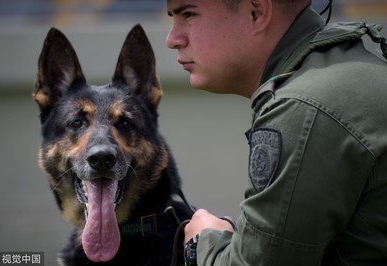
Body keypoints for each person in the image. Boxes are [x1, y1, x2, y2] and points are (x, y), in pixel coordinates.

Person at [166, 0, 387, 265]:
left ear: (256, 12)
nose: (173, 39)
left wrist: (202, 241)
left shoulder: (304, 106)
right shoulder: (348, 69)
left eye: (189, 14)